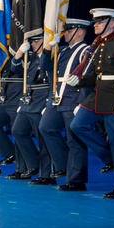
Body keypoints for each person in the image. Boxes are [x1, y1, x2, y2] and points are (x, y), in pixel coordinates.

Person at [67, 7, 114, 199]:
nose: (96, 25)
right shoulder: (99, 45)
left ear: (113, 22)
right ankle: (109, 158)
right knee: (78, 125)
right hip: (98, 96)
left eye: (100, 21)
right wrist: (80, 81)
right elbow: (95, 75)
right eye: (95, 21)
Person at [36, 18, 91, 187]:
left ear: (79, 32)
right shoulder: (62, 51)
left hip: (73, 98)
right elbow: (44, 67)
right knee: (45, 128)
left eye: (68, 31)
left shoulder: (86, 51)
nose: (64, 34)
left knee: (74, 140)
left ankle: (76, 180)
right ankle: (64, 165)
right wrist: (47, 49)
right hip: (57, 97)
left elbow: (87, 78)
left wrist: (81, 103)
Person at [8, 30, 51, 181]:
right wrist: (19, 54)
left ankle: (46, 175)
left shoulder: (50, 57)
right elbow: (14, 69)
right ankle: (34, 163)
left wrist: (49, 102)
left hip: (41, 100)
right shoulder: (30, 58)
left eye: (35, 41)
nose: (32, 44)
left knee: (43, 139)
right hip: (28, 101)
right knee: (17, 131)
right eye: (31, 42)